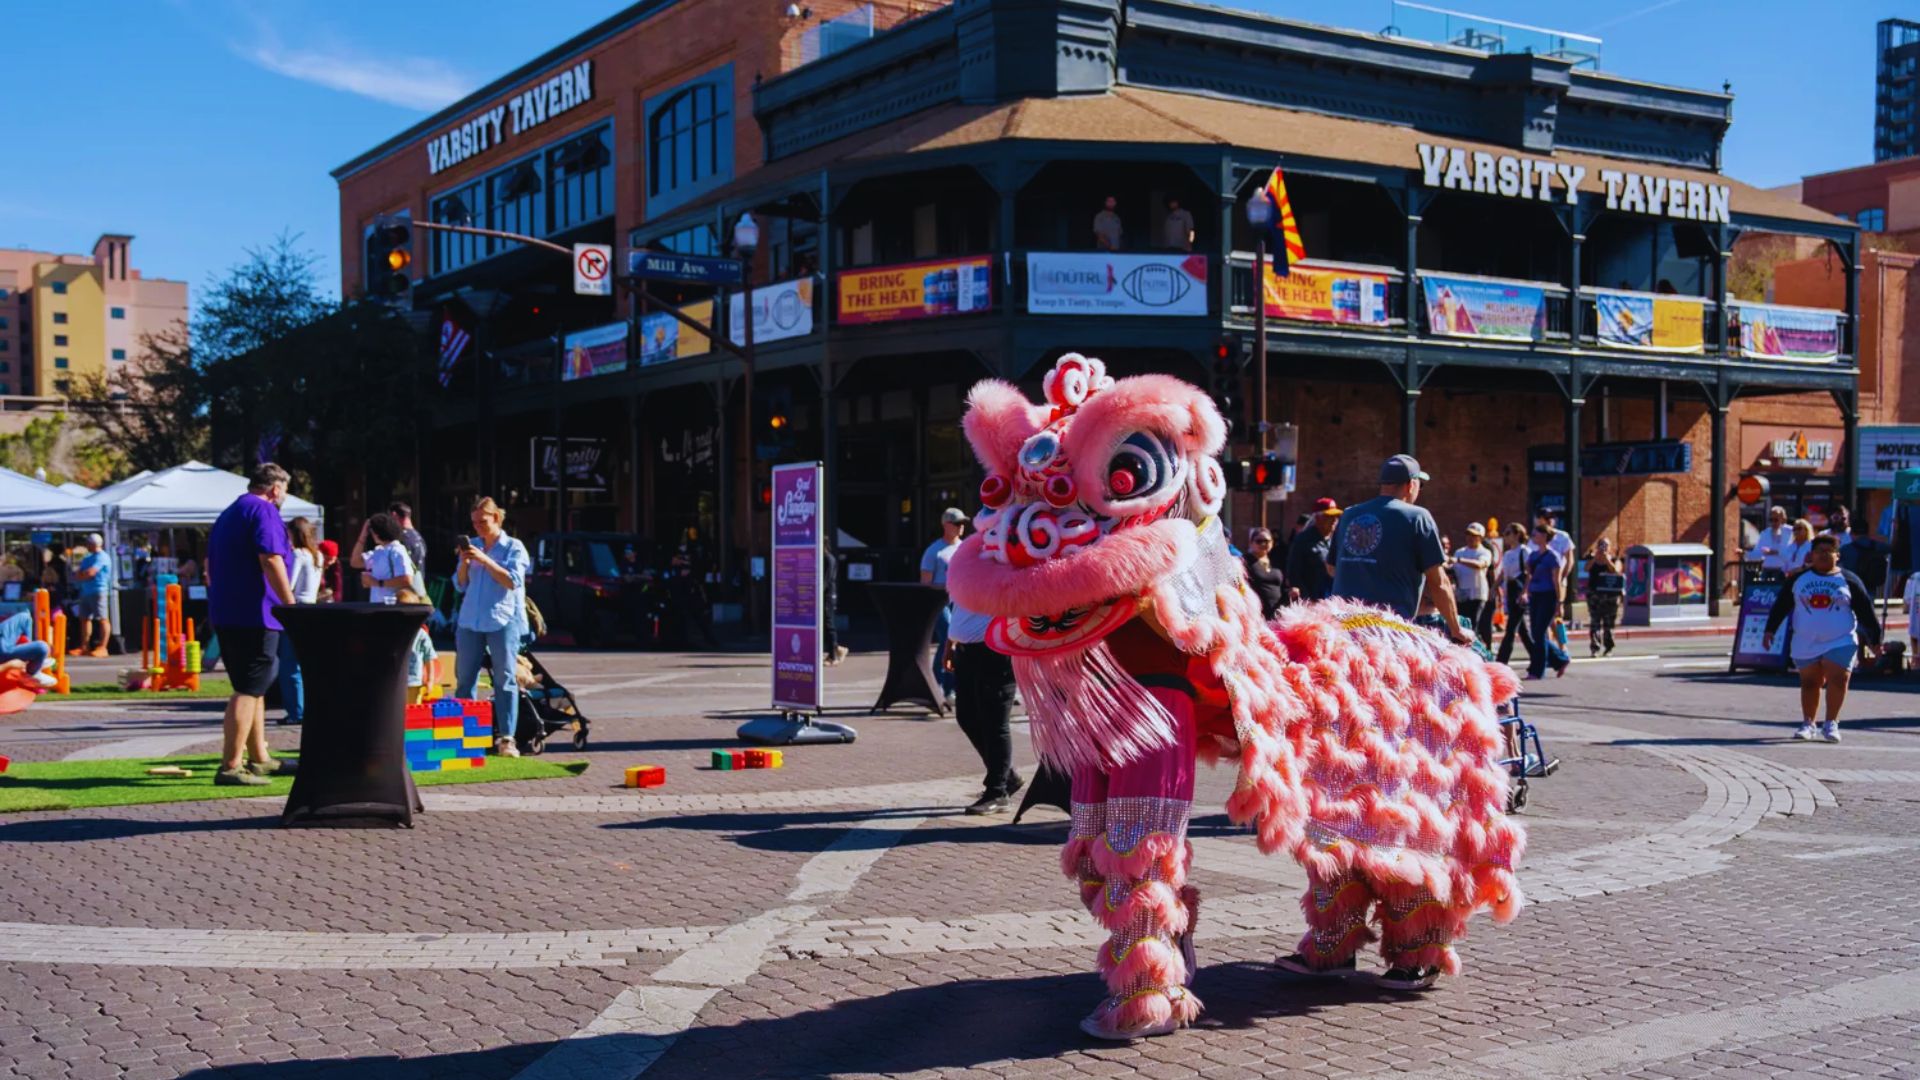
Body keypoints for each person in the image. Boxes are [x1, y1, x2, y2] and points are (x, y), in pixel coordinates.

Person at [206, 463, 299, 787]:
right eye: (284, 491)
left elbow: (210, 565)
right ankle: (231, 765)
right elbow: (271, 558)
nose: (283, 497)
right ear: (275, 489)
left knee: (253, 686)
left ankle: (259, 757)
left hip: (228, 613)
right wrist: (290, 604)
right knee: (248, 688)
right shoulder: (264, 511)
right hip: (257, 614)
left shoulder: (230, 512)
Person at [1327, 455, 1471, 643]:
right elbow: (1439, 582)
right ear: (1411, 484)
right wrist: (1456, 629)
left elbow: (1331, 569)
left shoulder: (1349, 514)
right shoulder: (1417, 516)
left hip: (1342, 629)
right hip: (1389, 633)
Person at [1764, 534, 1881, 742]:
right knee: (1810, 682)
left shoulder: (1849, 580)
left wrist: (1875, 640)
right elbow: (1782, 605)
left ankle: (1831, 723)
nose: (1823, 556)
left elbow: (1865, 610)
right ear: (1812, 555)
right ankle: (1808, 723)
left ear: (1837, 555)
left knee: (1839, 678)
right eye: (1819, 552)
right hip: (1806, 640)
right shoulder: (1799, 579)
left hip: (1840, 639)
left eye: (1828, 552)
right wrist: (1770, 630)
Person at [454, 496, 531, 756]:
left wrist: (485, 560)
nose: (478, 528)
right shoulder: (472, 545)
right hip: (470, 619)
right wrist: (465, 563)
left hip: (502, 618)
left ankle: (507, 738)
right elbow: (460, 584)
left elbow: (512, 581)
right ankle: (464, 735)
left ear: (496, 518)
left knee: (504, 678)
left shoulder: (513, 547)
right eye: (474, 523)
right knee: (464, 678)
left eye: (483, 522)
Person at [944, 596, 1024, 815]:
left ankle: (997, 792)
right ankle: (1006, 776)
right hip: (966, 650)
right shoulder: (963, 564)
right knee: (966, 717)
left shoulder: (998, 562)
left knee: (995, 723)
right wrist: (950, 642)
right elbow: (959, 607)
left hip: (995, 651)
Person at [275, 517, 324, 725]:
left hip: (297, 608)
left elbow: (289, 583)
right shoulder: (317, 556)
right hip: (311, 606)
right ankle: (307, 707)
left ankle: (296, 711)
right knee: (306, 662)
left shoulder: (298, 554)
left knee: (289, 664)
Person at [922, 508, 967, 701]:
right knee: (949, 635)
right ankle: (938, 683)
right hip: (940, 601)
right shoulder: (934, 551)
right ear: (946, 525)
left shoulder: (965, 548)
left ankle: (950, 687)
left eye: (962, 523)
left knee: (955, 641)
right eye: (956, 523)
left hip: (961, 601)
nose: (961, 527)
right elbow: (925, 582)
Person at [1524, 524, 1571, 680]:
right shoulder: (1532, 556)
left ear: (1544, 536)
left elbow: (1556, 580)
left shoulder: (1553, 557)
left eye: (1536, 534)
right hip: (1535, 595)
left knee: (1539, 632)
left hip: (1548, 595)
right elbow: (1529, 576)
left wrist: (1560, 602)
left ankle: (1538, 670)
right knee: (1536, 633)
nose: (1533, 536)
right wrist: (1525, 591)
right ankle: (1561, 659)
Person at [65, 533, 113, 658]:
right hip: (85, 591)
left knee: (102, 618)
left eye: (88, 543)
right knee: (84, 619)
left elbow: (91, 573)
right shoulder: (88, 558)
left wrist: (83, 575)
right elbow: (79, 573)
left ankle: (103, 647)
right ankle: (84, 646)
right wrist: (83, 575)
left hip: (99, 591)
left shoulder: (102, 557)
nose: (86, 545)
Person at [1285, 498, 1340, 603]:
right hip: (1311, 600)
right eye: (1329, 516)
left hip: (1331, 599)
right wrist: (1307, 599)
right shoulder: (1303, 540)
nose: (1334, 520)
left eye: (1336, 516)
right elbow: (1294, 573)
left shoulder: (1333, 540)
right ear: (1318, 518)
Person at [352, 513, 416, 604]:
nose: (371, 535)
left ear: (377, 533)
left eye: (372, 531)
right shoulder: (378, 551)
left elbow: (407, 579)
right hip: (378, 606)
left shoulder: (397, 550)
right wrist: (363, 535)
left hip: (393, 607)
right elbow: (355, 562)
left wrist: (377, 583)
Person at [1495, 522, 1533, 666]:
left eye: (1508, 533)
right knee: (1522, 630)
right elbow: (1503, 573)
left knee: (1510, 629)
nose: (1505, 536)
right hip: (1510, 589)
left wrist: (1525, 592)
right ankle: (1548, 657)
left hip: (1519, 589)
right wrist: (1494, 588)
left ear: (1517, 534)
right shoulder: (1508, 553)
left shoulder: (1524, 551)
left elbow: (1529, 574)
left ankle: (1501, 661)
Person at [397, 587, 439, 705]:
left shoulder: (421, 635)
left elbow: (429, 658)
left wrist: (430, 680)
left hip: (414, 682)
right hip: (396, 682)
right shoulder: (393, 632)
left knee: (413, 708)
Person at [1451, 523, 1493, 638]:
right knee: (1462, 626)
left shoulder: (1484, 552)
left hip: (1477, 594)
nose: (1470, 538)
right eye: (1468, 534)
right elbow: (1453, 570)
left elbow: (1480, 564)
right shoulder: (1459, 551)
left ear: (1480, 537)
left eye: (1474, 535)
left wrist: (1459, 560)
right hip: (1461, 594)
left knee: (1473, 625)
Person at [1584, 537, 1623, 657]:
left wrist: (1607, 561)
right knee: (1595, 622)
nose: (1603, 548)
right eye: (1601, 545)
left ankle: (1608, 647)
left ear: (1610, 548)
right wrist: (1595, 558)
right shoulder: (1592, 558)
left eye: (1606, 545)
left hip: (1610, 597)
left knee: (1609, 623)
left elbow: (1616, 571)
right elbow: (1586, 568)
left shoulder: (1614, 559)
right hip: (1594, 595)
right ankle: (1595, 648)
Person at [0, 610, 60, 688]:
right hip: (3, 651)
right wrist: (10, 664)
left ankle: (30, 659)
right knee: (42, 647)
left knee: (25, 617)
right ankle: (31, 673)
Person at [1242, 527, 1285, 619]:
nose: (1263, 543)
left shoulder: (1276, 561)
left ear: (1272, 543)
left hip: (1277, 612)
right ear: (1251, 543)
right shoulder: (1244, 561)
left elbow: (1282, 586)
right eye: (1259, 541)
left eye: (1266, 541)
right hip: (1256, 614)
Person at [1748, 504, 1794, 572]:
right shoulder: (1765, 533)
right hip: (1767, 569)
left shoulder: (1791, 531)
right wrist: (1745, 553)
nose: (1773, 523)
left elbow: (1792, 552)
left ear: (1783, 519)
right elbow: (1757, 553)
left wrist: (1774, 552)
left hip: (1784, 570)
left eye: (1776, 520)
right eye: (1771, 520)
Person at [389, 501, 428, 577]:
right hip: (418, 584)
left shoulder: (402, 538)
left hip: (405, 585)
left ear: (394, 515)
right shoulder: (419, 537)